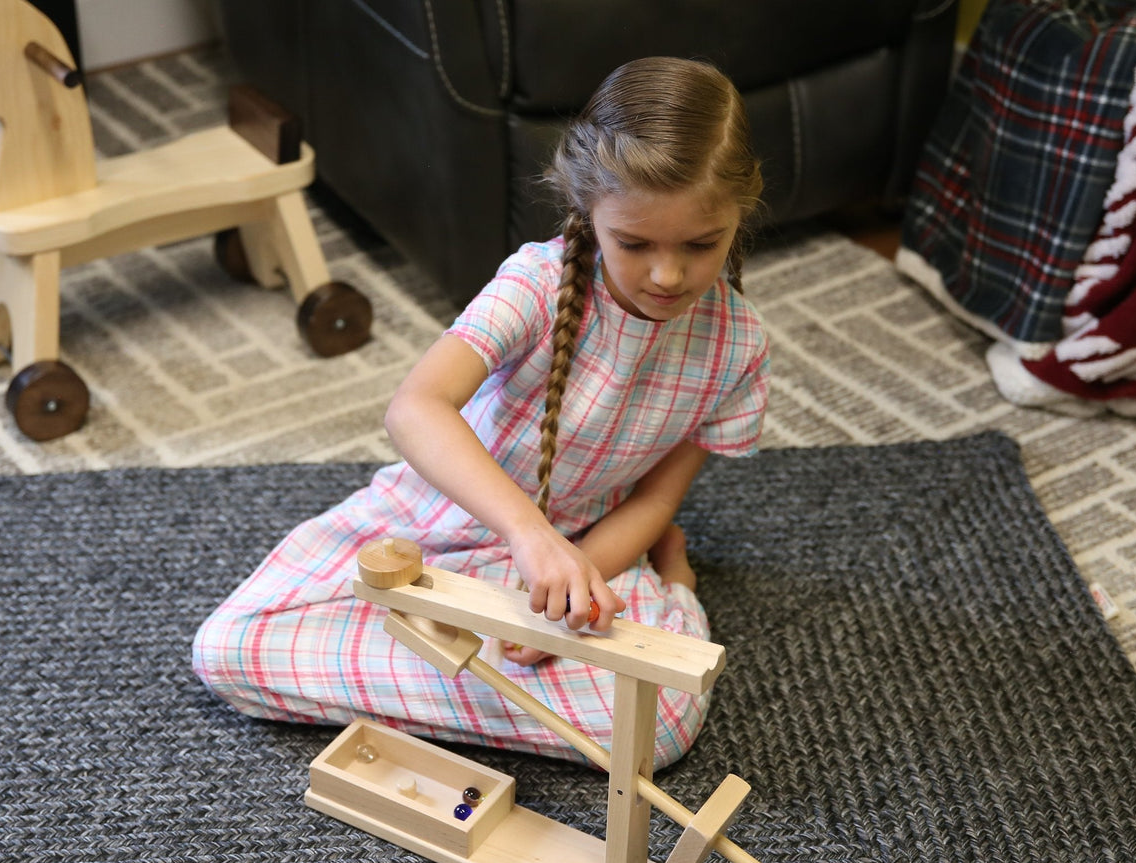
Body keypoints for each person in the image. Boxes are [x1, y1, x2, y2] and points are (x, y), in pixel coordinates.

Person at [193, 57, 769, 768]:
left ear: (739, 215)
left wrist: (566, 584)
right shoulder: (535, 283)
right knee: (228, 646)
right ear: (588, 209)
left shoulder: (737, 346)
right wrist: (528, 537)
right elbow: (414, 409)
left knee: (656, 731)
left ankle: (672, 590)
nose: (666, 275)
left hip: (590, 549)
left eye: (699, 244)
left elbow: (656, 499)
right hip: (438, 518)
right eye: (633, 243)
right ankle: (483, 680)